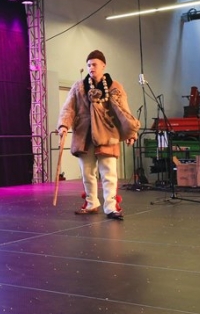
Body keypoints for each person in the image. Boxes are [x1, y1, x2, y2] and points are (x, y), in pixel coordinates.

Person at [57, 50, 139, 220]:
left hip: (107, 133)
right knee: (87, 173)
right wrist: (63, 126)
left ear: (103, 66)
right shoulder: (79, 87)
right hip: (84, 135)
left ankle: (111, 207)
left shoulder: (114, 87)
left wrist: (131, 132)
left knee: (109, 173)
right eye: (88, 65)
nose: (91, 68)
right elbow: (68, 108)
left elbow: (124, 111)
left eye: (94, 64)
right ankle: (91, 203)